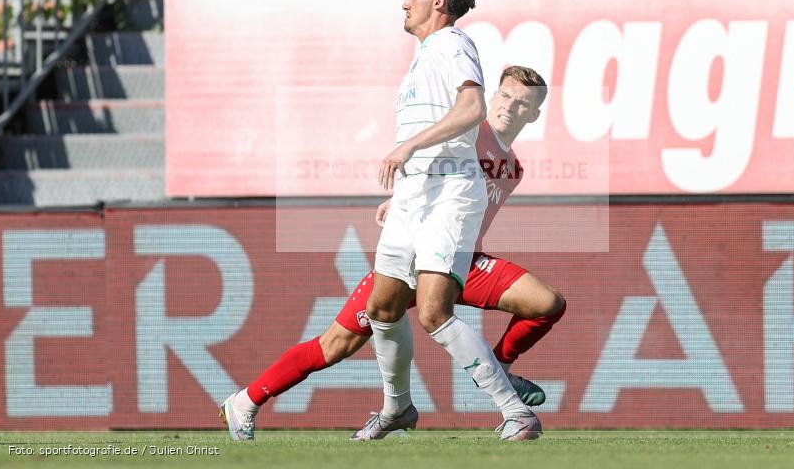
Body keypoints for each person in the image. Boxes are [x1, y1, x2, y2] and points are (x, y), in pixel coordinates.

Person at [220, 67, 565, 443]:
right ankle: (245, 402)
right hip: (412, 255)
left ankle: (498, 368)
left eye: (523, 103)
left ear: (533, 114)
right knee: (336, 345)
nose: (510, 107)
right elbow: (426, 167)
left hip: (460, 261)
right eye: (505, 96)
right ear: (493, 97)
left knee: (548, 303)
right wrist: (398, 200)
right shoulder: (468, 132)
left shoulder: (513, 169)